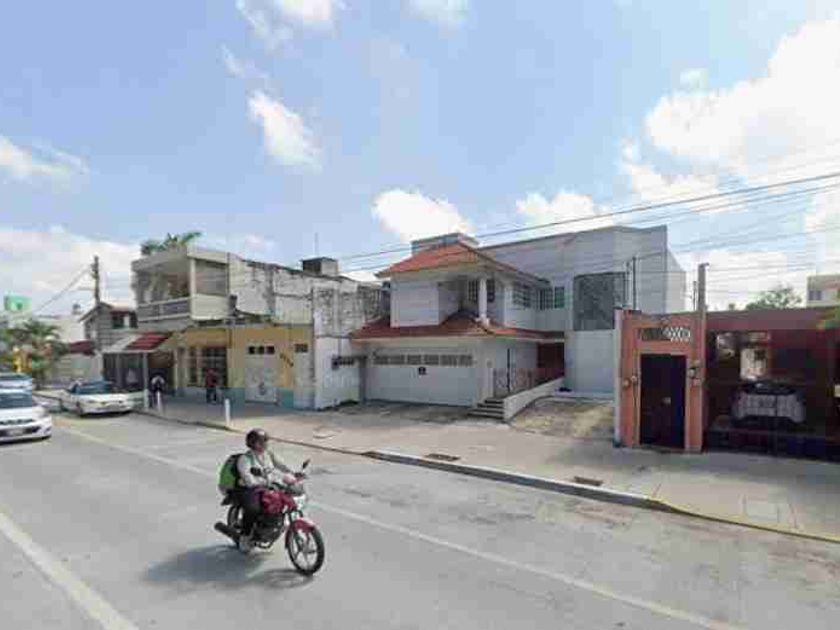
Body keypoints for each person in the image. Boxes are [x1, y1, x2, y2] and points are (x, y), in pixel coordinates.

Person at [236, 428, 294, 547]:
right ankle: (244, 537)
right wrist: (258, 482)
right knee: (253, 509)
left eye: (265, 441)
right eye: (261, 442)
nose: (265, 444)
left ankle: (276, 522)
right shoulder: (245, 459)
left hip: (268, 486)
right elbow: (247, 477)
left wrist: (292, 473)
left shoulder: (268, 454)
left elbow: (281, 465)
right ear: (252, 443)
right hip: (250, 489)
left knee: (285, 499)